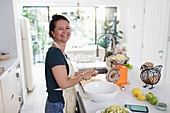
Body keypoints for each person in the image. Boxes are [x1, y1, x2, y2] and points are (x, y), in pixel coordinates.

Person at [44, 14, 98, 113]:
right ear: (53, 33)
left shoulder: (60, 51)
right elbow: (64, 84)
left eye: (67, 28)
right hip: (58, 105)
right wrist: (83, 76)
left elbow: (67, 74)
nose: (65, 31)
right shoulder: (55, 54)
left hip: (59, 103)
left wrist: (86, 72)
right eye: (60, 29)